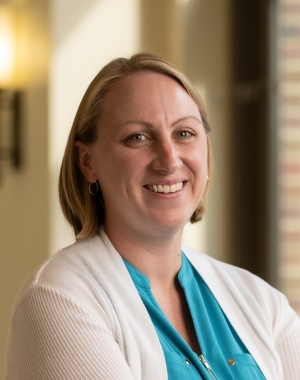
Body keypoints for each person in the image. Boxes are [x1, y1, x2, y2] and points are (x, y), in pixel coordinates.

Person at [6, 52, 300, 380]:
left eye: (184, 133)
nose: (169, 159)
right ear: (87, 162)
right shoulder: (57, 299)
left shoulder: (261, 302)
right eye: (138, 138)